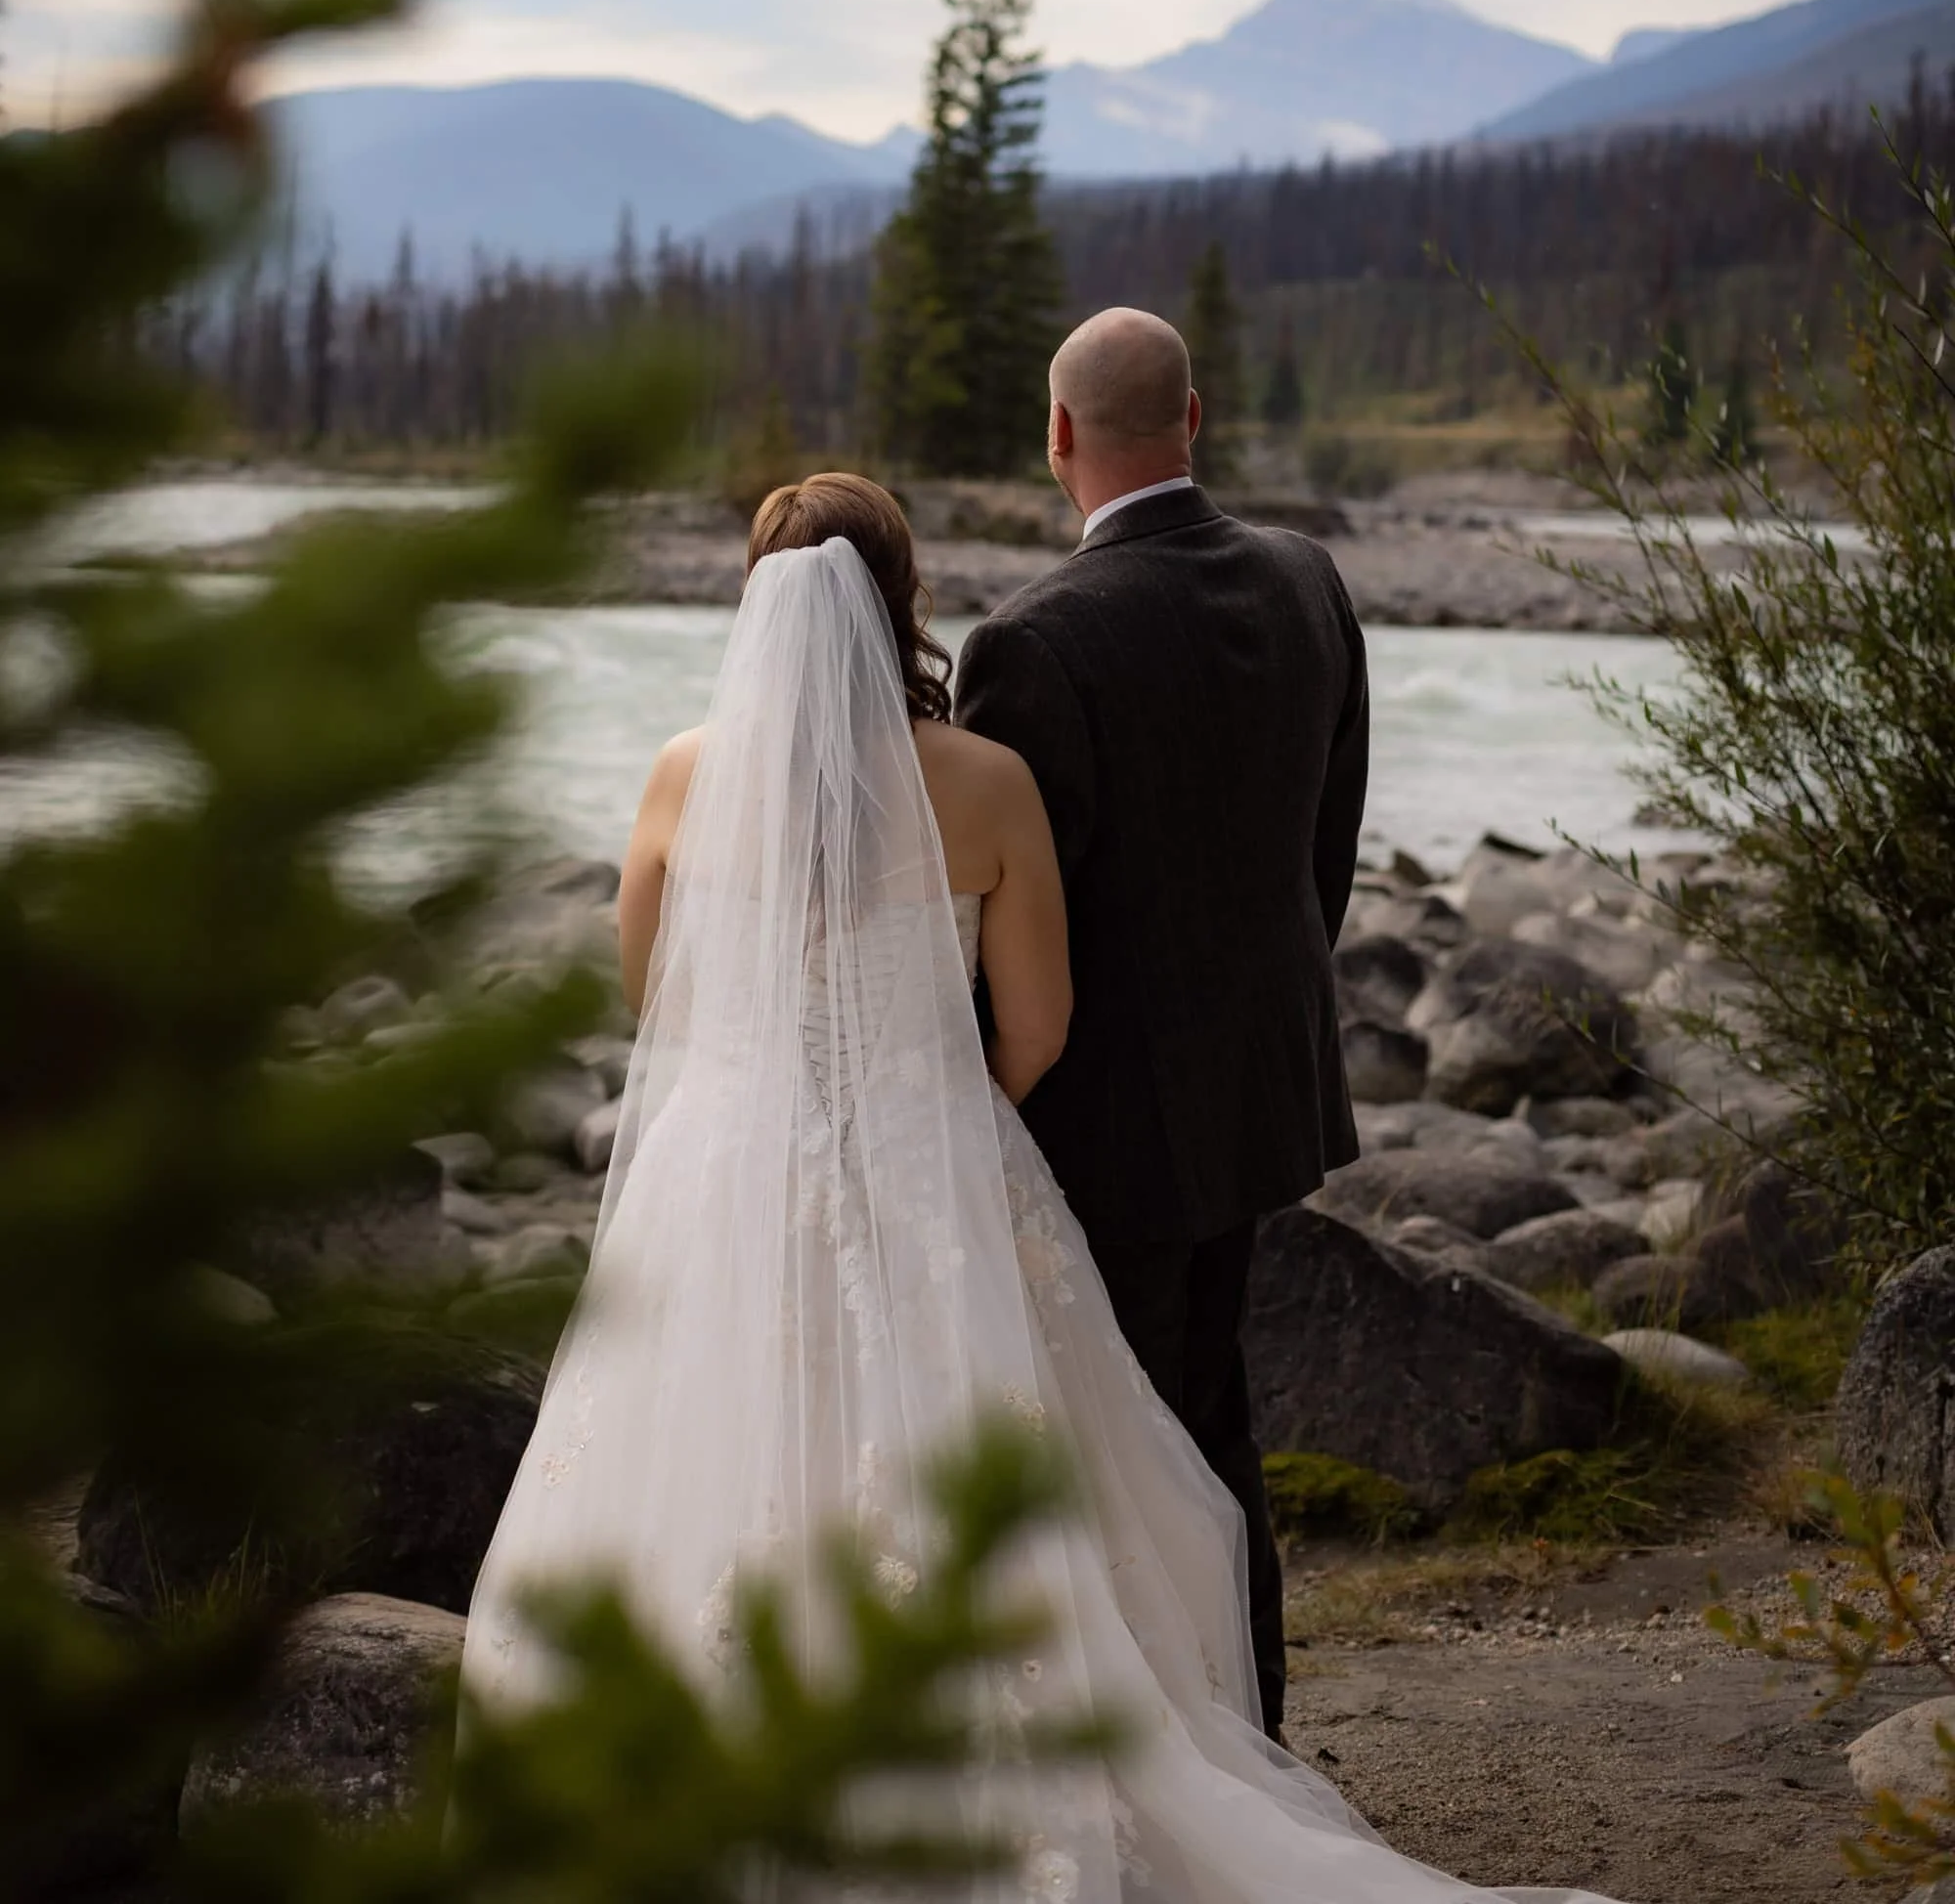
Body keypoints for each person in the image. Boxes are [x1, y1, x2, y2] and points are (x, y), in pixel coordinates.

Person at [462, 471, 1611, 1903]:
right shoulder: (982, 785)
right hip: (929, 1158)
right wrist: (936, 1118)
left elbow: (656, 992)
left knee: (713, 1443)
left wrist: (772, 1084)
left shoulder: (685, 776)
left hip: (728, 1162)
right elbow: (1042, 1023)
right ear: (907, 598)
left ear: (754, 602)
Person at [955, 309, 1368, 1738]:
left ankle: (1160, 1749)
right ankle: (1243, 1719)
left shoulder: (1025, 644)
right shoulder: (1310, 579)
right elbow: (1329, 855)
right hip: (1261, 1098)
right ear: (1191, 421)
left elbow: (1022, 921)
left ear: (1057, 435)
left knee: (1117, 1441)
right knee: (1211, 1411)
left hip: (1104, 1120)